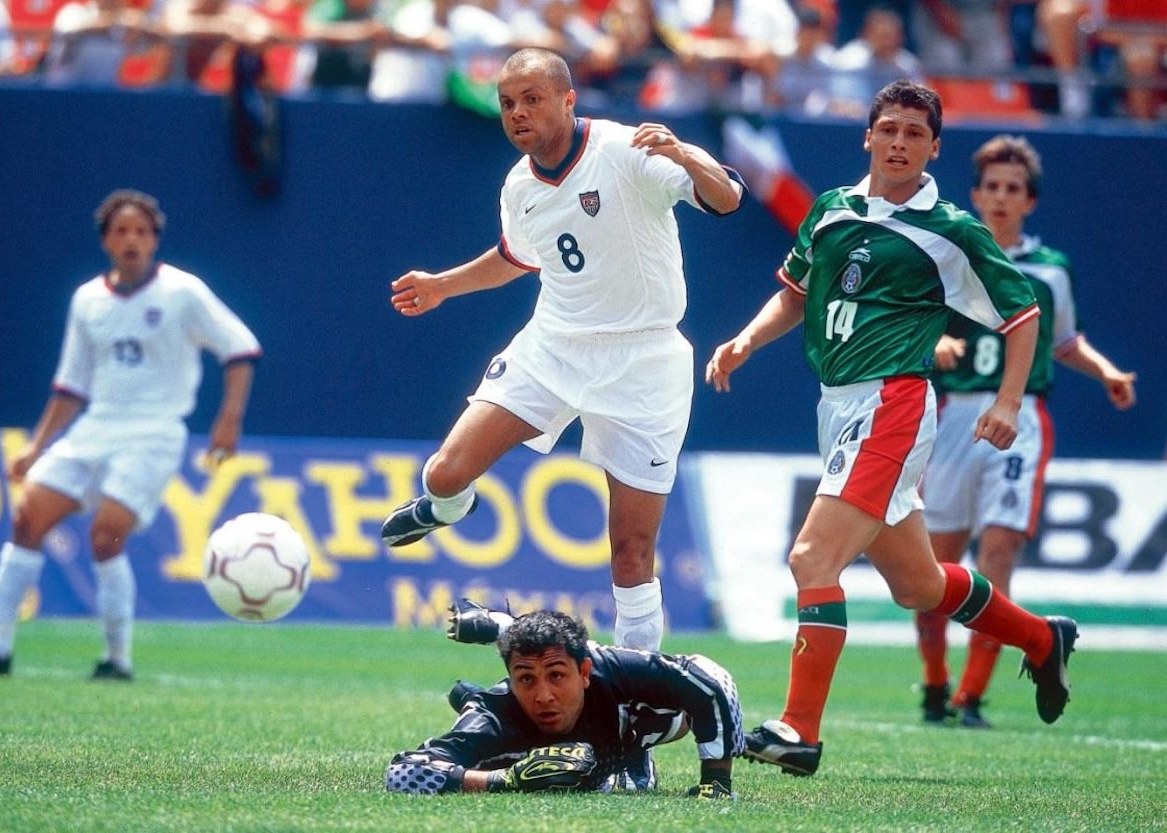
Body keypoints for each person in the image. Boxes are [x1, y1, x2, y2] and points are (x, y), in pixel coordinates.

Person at [704, 80, 1078, 777]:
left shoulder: (952, 230)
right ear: (868, 137)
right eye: (889, 129)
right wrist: (746, 340)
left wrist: (1007, 400)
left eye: (914, 132)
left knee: (813, 559)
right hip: (839, 404)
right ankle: (1040, 638)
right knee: (918, 585)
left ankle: (800, 729)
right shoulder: (831, 210)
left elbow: (1025, 314)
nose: (899, 142)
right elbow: (795, 292)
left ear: (934, 147)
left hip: (893, 405)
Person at [381, 45, 743, 658]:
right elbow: (517, 259)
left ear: (568, 100)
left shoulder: (628, 149)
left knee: (631, 554)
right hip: (555, 348)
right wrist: (443, 284)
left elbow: (727, 197)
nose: (517, 113)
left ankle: (637, 696)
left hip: (645, 362)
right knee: (442, 474)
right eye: (506, 104)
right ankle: (450, 507)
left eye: (531, 99)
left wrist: (684, 155)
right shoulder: (520, 185)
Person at [0, 189, 261, 682]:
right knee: (27, 518)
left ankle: (116, 659)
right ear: (106, 240)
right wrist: (36, 446)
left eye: (142, 232)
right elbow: (70, 384)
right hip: (96, 428)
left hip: (153, 433)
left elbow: (240, 349)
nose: (132, 240)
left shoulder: (182, 293)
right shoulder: (88, 300)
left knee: (105, 534)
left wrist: (229, 418)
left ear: (155, 240)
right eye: (121, 231)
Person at [915, 134, 1136, 729]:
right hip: (953, 415)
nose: (1001, 198)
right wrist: (933, 339)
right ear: (976, 194)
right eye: (992, 187)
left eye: (1013, 189)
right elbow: (911, 318)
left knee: (1000, 552)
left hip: (1021, 416)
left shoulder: (1049, 270)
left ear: (1030, 201)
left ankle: (971, 697)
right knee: (935, 568)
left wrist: (1106, 370)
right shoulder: (949, 256)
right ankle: (933, 686)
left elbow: (1064, 340)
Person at [385, 606, 745, 798]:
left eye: (557, 675)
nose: (543, 696)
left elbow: (710, 677)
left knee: (675, 720)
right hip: (540, 731)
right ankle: (491, 660)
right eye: (525, 679)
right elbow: (404, 772)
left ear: (584, 671)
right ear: (511, 678)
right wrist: (502, 780)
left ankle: (504, 627)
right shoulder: (494, 715)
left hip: (631, 724)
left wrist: (716, 784)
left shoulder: (611, 669)